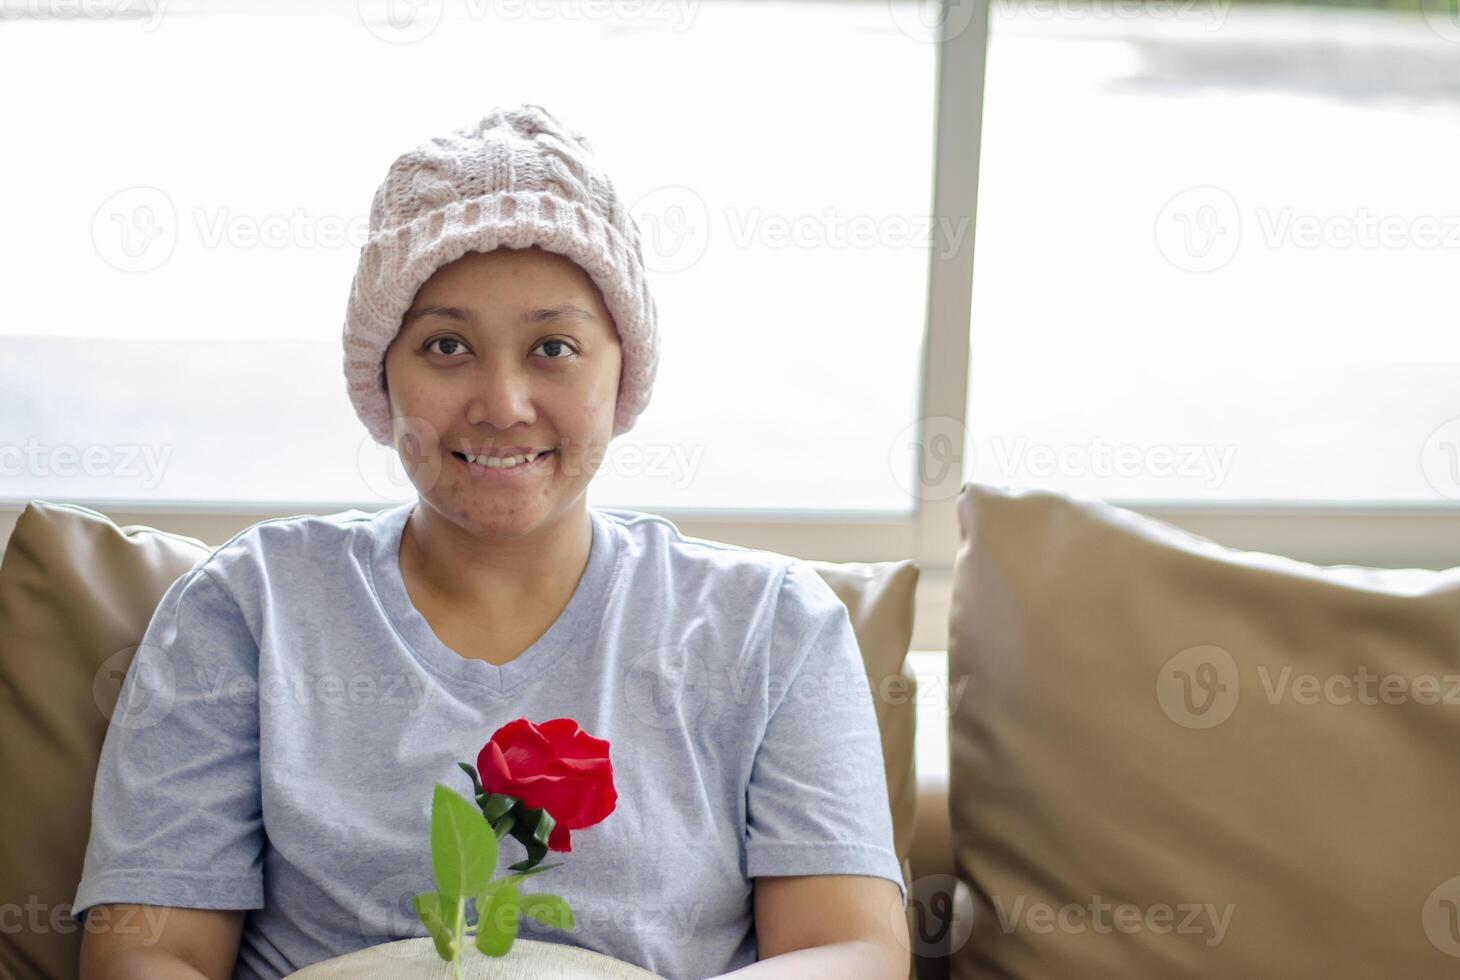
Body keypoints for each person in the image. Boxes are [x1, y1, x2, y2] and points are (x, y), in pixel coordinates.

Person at [73, 104, 908, 980]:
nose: (502, 403)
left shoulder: (769, 625)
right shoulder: (247, 607)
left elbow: (846, 951)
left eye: (553, 347)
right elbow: (151, 957)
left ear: (624, 370)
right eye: (446, 345)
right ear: (380, 372)